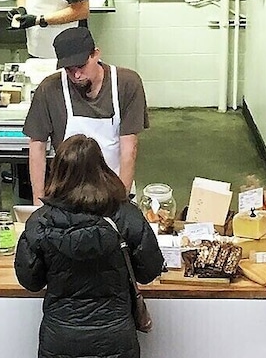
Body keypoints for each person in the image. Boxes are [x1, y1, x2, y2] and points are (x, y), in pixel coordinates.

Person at [15, 135, 166, 358]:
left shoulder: (41, 221)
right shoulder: (127, 216)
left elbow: (31, 281)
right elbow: (149, 271)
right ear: (102, 170)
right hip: (115, 339)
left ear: (58, 171)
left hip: (61, 338)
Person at [23, 27, 148, 204]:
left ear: (95, 54)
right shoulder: (50, 89)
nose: (77, 75)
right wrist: (38, 203)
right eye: (69, 69)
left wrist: (122, 201)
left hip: (114, 188)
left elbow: (129, 148)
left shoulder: (126, 84)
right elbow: (37, 145)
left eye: (81, 66)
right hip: (66, 194)